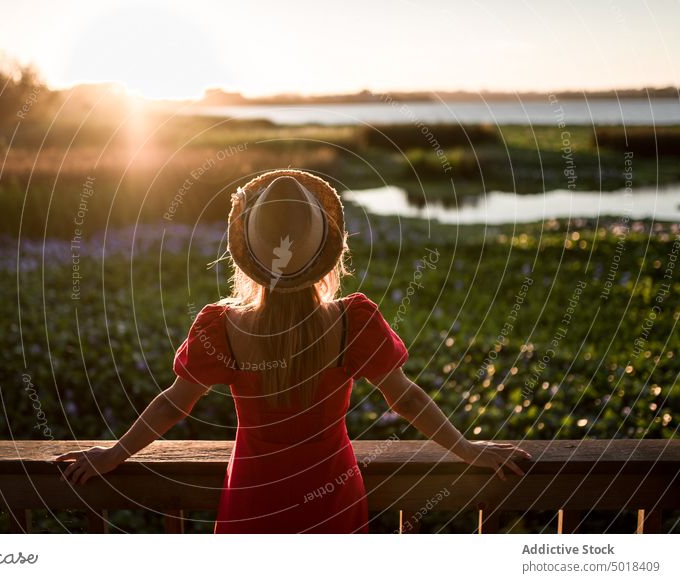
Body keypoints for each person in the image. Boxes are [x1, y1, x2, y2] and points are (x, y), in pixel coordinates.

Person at [54, 169, 531, 533]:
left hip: (252, 496)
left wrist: (115, 453)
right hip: (333, 495)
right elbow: (405, 399)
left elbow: (173, 404)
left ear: (251, 255)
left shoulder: (222, 326)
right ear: (326, 247)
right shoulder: (353, 322)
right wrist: (468, 449)